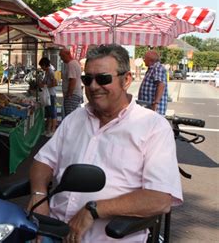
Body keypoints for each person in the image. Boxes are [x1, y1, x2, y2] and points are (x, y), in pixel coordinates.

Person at [28, 44, 182, 243]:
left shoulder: (153, 127)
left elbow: (160, 199)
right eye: (87, 79)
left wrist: (95, 209)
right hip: (53, 231)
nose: (93, 86)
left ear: (126, 80)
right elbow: (43, 161)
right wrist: (38, 194)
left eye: (103, 78)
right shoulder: (75, 119)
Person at [138, 50, 168, 115]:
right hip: (149, 107)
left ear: (150, 60)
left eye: (145, 58)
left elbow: (161, 84)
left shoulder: (157, 68)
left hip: (154, 108)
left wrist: (156, 103)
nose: (144, 60)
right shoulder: (152, 68)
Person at [59, 47, 82, 116]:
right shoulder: (74, 63)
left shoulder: (71, 64)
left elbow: (72, 80)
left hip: (72, 95)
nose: (61, 58)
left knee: (70, 116)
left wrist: (69, 94)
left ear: (67, 54)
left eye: (62, 56)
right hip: (74, 95)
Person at [38, 57, 58, 137]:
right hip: (48, 95)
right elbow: (45, 82)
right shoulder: (47, 72)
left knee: (52, 113)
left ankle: (53, 130)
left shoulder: (50, 72)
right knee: (49, 113)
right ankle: (48, 129)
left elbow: (55, 83)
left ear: (44, 65)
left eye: (41, 66)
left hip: (51, 95)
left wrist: (45, 85)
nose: (41, 68)